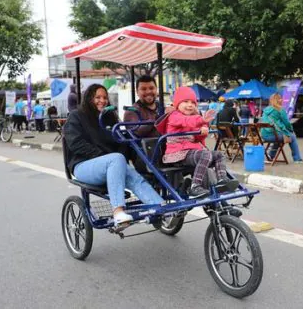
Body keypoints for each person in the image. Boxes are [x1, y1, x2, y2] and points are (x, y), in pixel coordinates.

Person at [63, 84, 164, 226]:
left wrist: (121, 158)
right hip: (83, 165)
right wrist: (103, 156)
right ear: (89, 98)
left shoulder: (109, 117)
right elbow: (76, 143)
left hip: (111, 164)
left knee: (135, 176)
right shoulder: (76, 116)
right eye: (97, 97)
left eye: (105, 98)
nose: (102, 101)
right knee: (116, 159)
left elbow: (120, 142)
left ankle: (160, 206)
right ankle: (118, 212)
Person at [157, 86, 239, 197]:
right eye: (185, 102)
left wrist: (202, 133)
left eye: (193, 102)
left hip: (191, 152)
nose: (190, 105)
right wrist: (201, 120)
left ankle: (222, 180)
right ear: (177, 104)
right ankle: (195, 186)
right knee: (205, 155)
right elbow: (186, 121)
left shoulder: (192, 117)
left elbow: (196, 138)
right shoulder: (174, 116)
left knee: (219, 154)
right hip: (176, 154)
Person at [260, 93, 303, 163]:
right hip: (273, 135)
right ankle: (297, 158)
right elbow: (287, 123)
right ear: (278, 100)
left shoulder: (266, 110)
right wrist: (291, 130)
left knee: (279, 136)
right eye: (280, 98)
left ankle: (271, 155)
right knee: (292, 137)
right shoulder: (280, 110)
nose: (282, 100)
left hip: (264, 135)